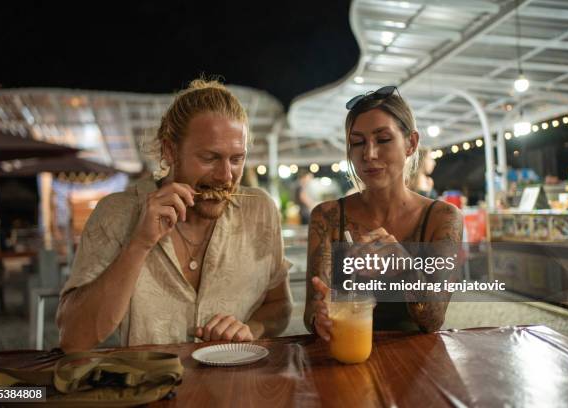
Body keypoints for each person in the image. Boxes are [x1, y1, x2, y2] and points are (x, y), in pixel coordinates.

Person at [57, 79, 292, 351]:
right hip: (149, 389)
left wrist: (249, 329)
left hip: (237, 387)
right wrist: (139, 244)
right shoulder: (116, 214)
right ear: (170, 151)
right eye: (209, 158)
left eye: (237, 159)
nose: (226, 176)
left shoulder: (260, 210)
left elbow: (280, 306)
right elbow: (73, 338)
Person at [304, 86, 463, 340]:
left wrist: (406, 268)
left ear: (411, 143)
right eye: (357, 143)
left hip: (414, 365)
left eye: (383, 139)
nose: (369, 154)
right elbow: (312, 311)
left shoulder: (441, 218)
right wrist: (320, 318)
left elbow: (432, 321)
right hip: (345, 356)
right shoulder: (329, 216)